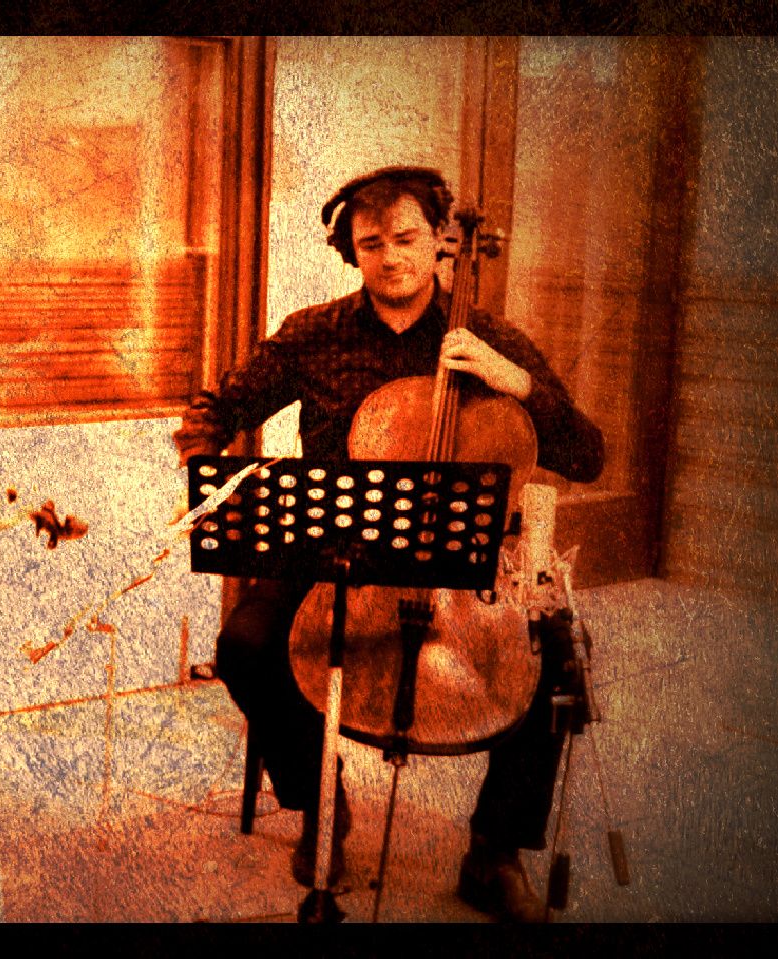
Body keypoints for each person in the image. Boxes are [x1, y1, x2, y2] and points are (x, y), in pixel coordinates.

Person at [174, 166, 605, 922]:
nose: (391, 257)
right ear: (351, 251)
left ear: (439, 242)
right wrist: (208, 472)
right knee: (245, 645)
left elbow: (587, 454)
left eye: (406, 238)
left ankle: (494, 850)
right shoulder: (313, 334)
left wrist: (516, 383)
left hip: (464, 564)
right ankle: (322, 805)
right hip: (335, 555)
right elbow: (215, 408)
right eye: (371, 243)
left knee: (557, 656)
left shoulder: (489, 340)